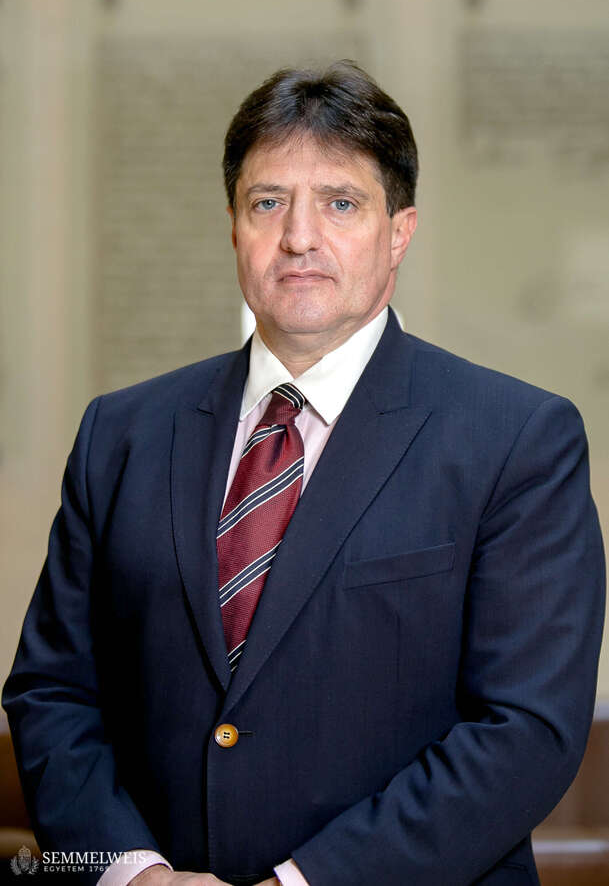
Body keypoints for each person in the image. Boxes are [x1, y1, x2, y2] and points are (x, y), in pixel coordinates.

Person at [3, 61, 605, 886]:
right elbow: (52, 692)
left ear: (399, 231)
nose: (298, 237)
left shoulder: (516, 440)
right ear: (233, 226)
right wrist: (133, 873)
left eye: (340, 203)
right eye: (267, 202)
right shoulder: (123, 433)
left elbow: (525, 728)